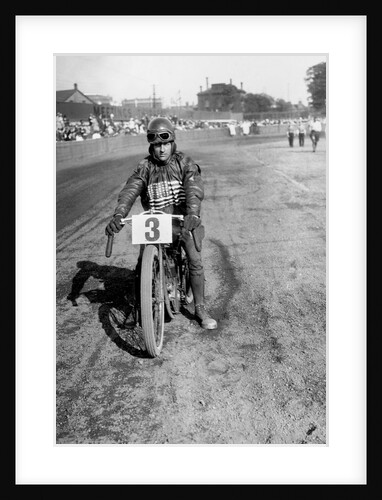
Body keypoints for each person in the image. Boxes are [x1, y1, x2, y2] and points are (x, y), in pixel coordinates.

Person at [105, 116, 217, 330]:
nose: (161, 149)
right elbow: (130, 190)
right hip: (155, 223)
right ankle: (139, 306)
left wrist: (193, 213)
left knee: (194, 259)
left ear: (172, 142)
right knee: (141, 264)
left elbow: (194, 188)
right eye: (156, 145)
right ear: (151, 146)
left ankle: (200, 307)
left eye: (165, 143)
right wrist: (119, 214)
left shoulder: (185, 162)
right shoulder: (144, 166)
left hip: (183, 222)